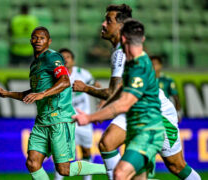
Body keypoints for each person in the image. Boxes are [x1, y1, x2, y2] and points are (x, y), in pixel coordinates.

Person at [73, 4, 200, 180]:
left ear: (121, 25)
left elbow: (114, 92)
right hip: (136, 112)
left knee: (176, 166)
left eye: (108, 20)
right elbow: (119, 92)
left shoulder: (124, 55)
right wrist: (105, 107)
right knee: (107, 143)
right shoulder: (121, 52)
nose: (103, 24)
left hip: (157, 114)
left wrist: (86, 91)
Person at [0, 27, 106, 180]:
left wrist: (43, 94)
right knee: (32, 163)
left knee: (64, 169)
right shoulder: (34, 65)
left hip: (59, 118)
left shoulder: (52, 57)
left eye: (42, 38)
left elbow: (65, 81)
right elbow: (32, 93)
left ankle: (112, 168)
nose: (38, 40)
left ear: (49, 41)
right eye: (35, 37)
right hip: (42, 121)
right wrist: (7, 94)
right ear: (30, 41)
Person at [74, 19, 164, 179]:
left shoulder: (138, 66)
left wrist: (89, 117)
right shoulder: (131, 62)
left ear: (122, 38)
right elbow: (118, 92)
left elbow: (124, 103)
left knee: (120, 172)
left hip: (148, 129)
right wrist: (104, 105)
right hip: (137, 126)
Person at [54, 48, 101, 180]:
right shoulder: (55, 76)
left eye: (68, 56)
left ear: (73, 60)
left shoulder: (83, 74)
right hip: (64, 121)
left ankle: (87, 178)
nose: (66, 59)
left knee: (86, 151)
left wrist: (101, 101)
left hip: (83, 120)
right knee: (62, 154)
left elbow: (95, 86)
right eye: (62, 57)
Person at [151, 55, 183, 121]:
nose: (153, 66)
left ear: (160, 65)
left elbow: (176, 97)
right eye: (151, 64)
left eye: (155, 64)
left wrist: (178, 112)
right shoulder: (145, 80)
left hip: (164, 111)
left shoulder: (167, 80)